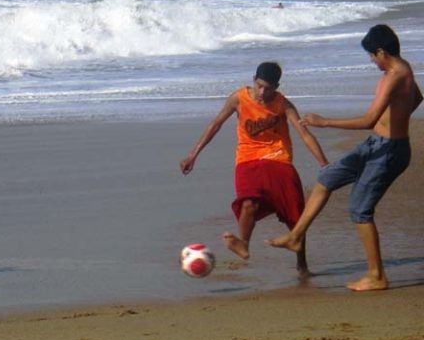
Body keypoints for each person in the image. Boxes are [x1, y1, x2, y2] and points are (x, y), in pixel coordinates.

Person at [270, 24, 422, 291]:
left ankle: (377, 276)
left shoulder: (395, 75)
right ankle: (295, 237)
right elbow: (418, 98)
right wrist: (394, 119)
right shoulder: (400, 69)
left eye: (372, 56)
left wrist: (324, 122)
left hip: (389, 152)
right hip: (375, 145)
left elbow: (368, 120)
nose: (372, 61)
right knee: (327, 176)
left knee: (360, 210)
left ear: (381, 52)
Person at [180, 62, 328, 275]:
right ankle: (244, 245)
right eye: (259, 86)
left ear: (277, 86)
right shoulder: (238, 98)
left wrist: (324, 163)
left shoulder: (283, 104)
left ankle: (302, 265)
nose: (262, 92)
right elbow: (215, 124)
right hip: (247, 159)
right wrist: (193, 155)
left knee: (295, 216)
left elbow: (304, 134)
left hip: (278, 159)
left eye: (268, 88)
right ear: (253, 80)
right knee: (248, 203)